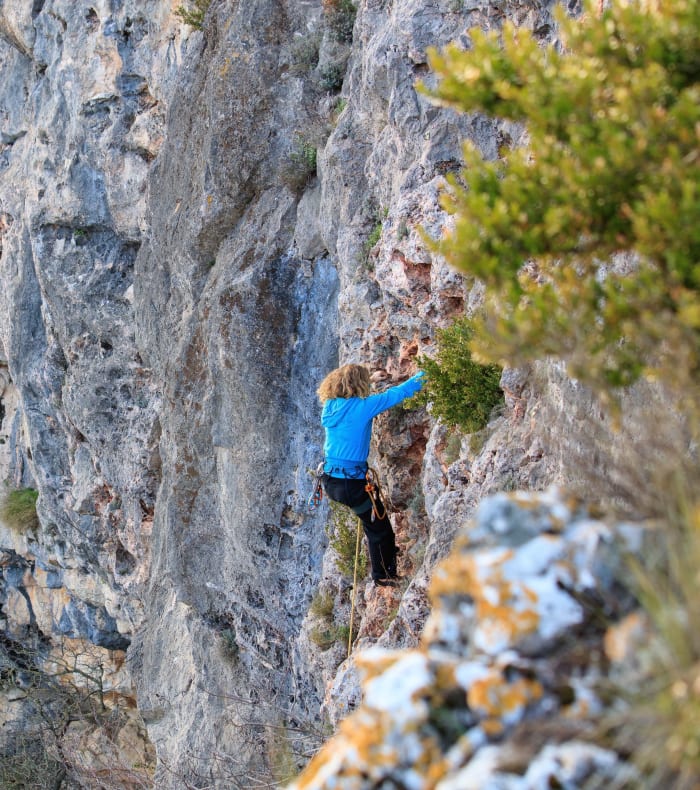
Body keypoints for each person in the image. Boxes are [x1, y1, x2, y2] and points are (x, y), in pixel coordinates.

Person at [317, 364, 425, 586]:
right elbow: (396, 394)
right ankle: (383, 575)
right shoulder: (363, 407)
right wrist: (427, 374)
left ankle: (384, 553)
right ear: (359, 386)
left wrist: (372, 380)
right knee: (380, 529)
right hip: (352, 484)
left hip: (332, 480)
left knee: (374, 521)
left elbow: (352, 396)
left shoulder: (331, 406)